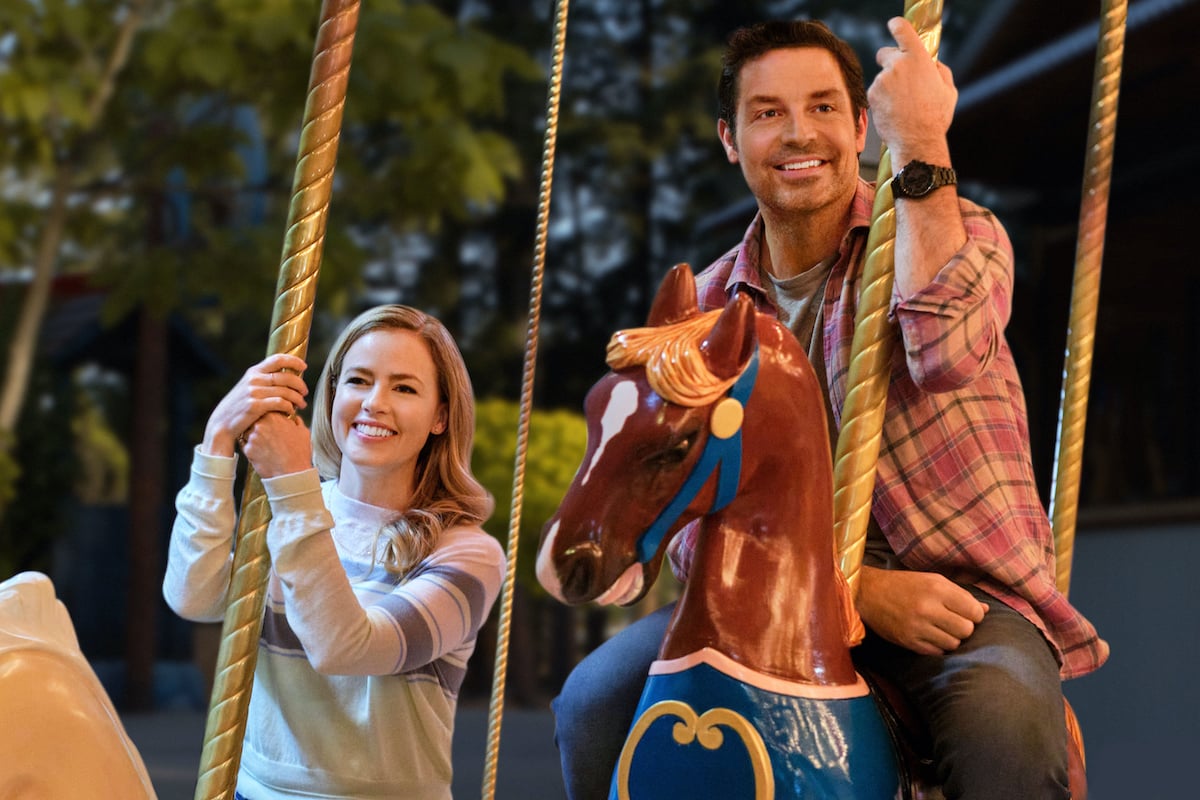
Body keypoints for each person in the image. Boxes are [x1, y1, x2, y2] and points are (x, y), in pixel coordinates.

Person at [548, 18, 1108, 800]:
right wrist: (856, 592)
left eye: (820, 107)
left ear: (857, 127)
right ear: (730, 139)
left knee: (1004, 721)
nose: (797, 132)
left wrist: (921, 146)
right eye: (768, 112)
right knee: (592, 701)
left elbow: (944, 354)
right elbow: (674, 494)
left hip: (952, 596)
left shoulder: (956, 229)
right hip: (764, 599)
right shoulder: (707, 305)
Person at [164, 305, 505, 800]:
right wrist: (218, 439)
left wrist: (289, 482)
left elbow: (347, 648)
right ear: (332, 395)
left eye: (404, 388)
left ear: (440, 417)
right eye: (358, 381)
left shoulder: (469, 554)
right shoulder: (288, 507)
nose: (374, 403)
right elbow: (194, 597)